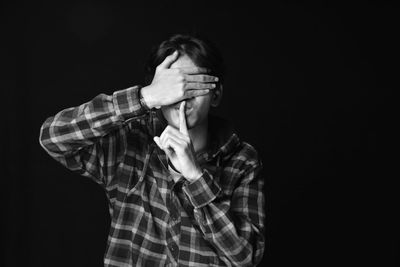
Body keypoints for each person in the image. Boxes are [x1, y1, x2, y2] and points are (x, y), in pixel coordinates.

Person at [39, 34, 266, 266]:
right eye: (174, 87)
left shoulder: (242, 159)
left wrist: (195, 178)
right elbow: (53, 138)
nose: (182, 98)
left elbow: (245, 258)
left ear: (215, 94)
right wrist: (145, 97)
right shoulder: (131, 140)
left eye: (193, 85)